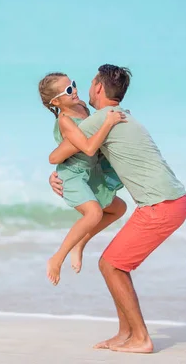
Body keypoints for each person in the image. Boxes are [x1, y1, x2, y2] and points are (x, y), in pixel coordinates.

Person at [48, 64, 186, 354]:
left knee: (112, 265)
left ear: (98, 88)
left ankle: (141, 338)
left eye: (86, 83)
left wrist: (54, 176)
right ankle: (126, 333)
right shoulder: (122, 116)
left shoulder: (99, 120)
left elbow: (60, 155)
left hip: (161, 205)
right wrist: (60, 176)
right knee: (112, 263)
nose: (82, 89)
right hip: (170, 201)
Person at [38, 72, 128, 286]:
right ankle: (57, 258)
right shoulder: (65, 121)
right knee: (94, 213)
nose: (75, 90)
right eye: (69, 90)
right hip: (73, 174)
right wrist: (108, 123)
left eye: (74, 85)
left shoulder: (83, 109)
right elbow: (88, 148)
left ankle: (81, 244)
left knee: (119, 209)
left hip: (92, 171)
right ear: (56, 101)